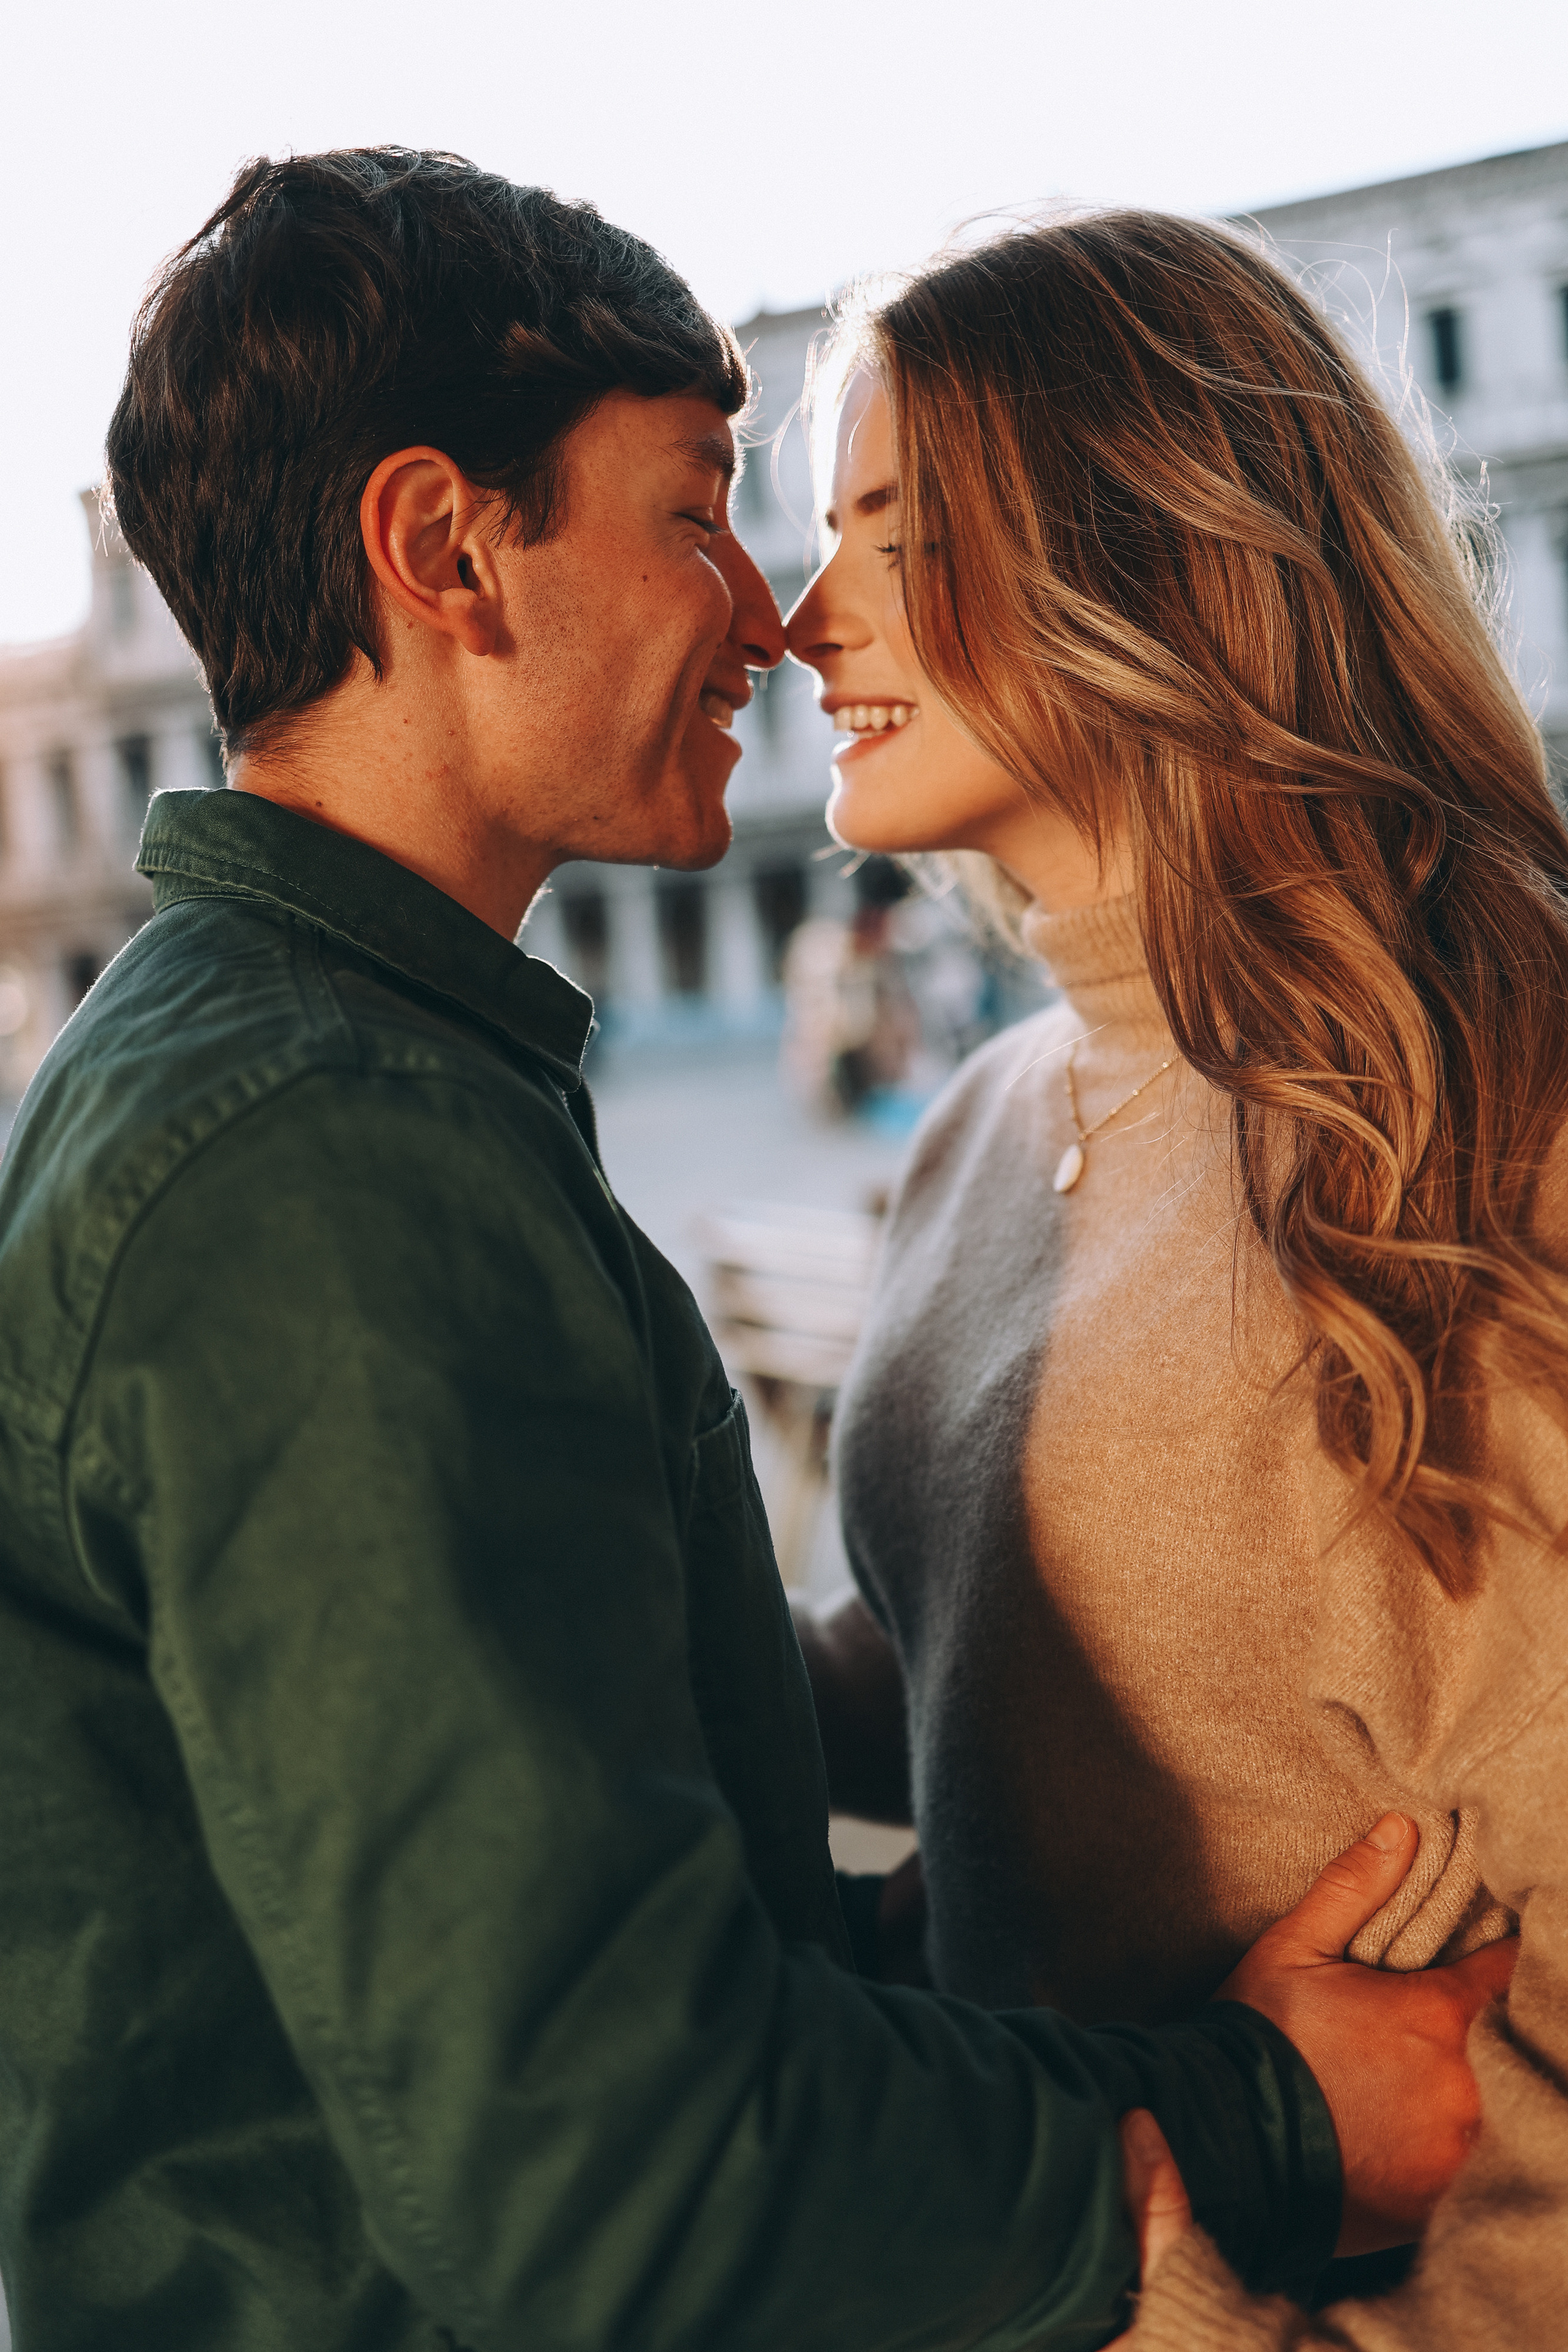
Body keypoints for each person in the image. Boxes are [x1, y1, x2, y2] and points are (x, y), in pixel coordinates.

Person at [0, 153, 1494, 2352]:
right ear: (443, 550)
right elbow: (620, 2157)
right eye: (698, 511)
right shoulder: (322, 1153)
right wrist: (1260, 2114)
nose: (768, 610)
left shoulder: (329, 1071)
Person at [785, 209, 1566, 2343]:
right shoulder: (987, 1118)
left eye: (892, 536)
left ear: (1151, 543)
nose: (802, 620)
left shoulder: (1497, 1127)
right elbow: (965, 1691)